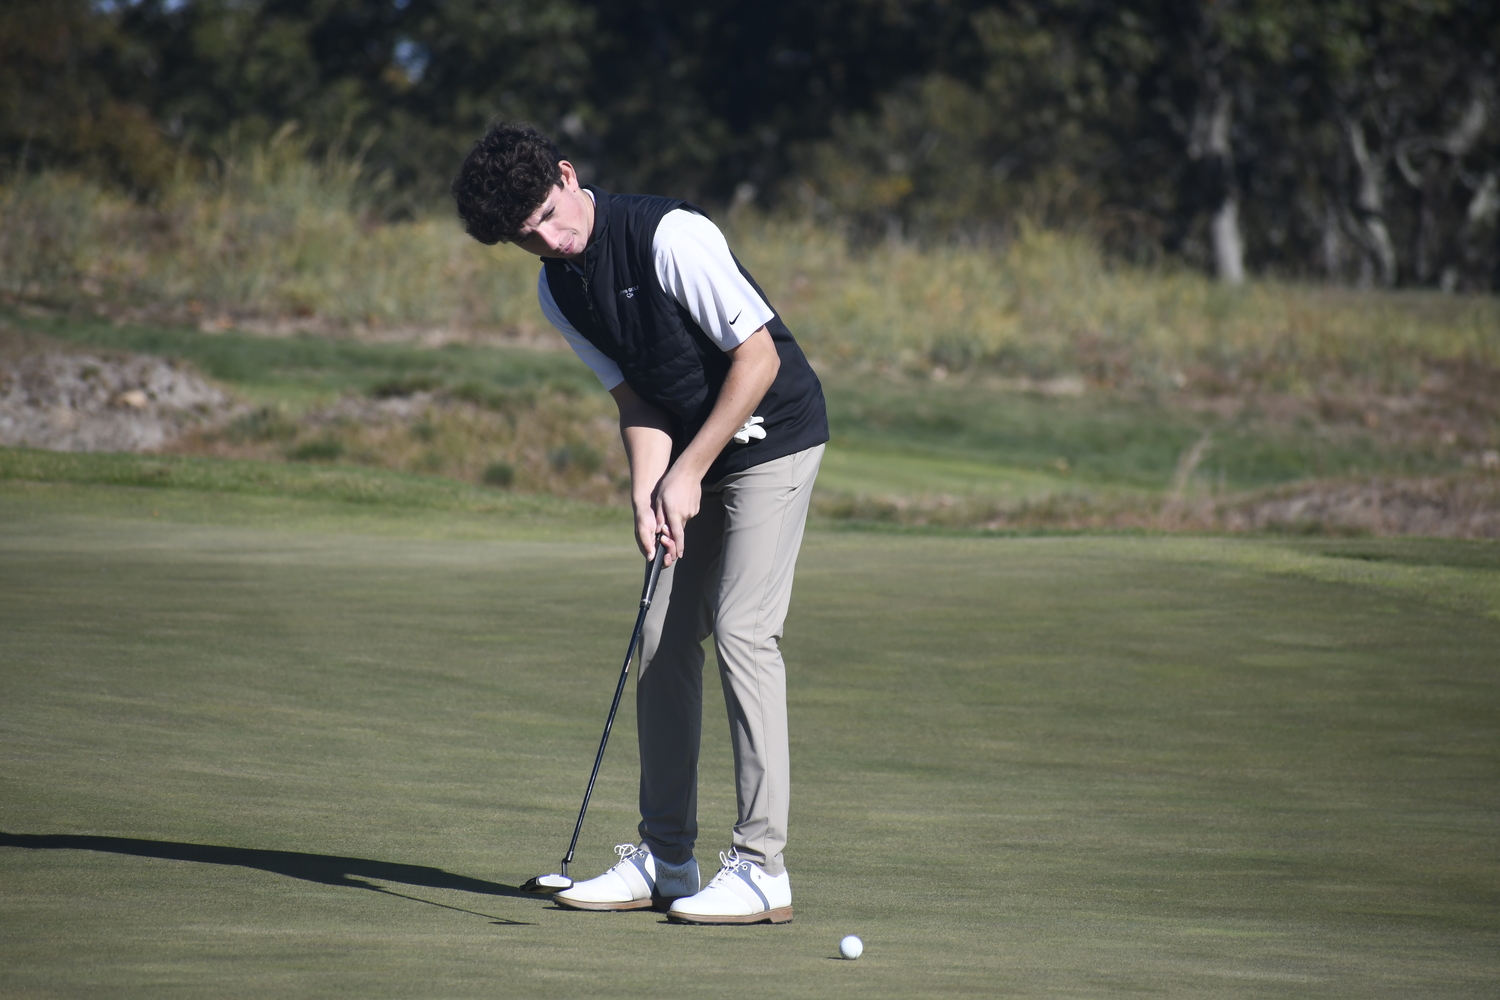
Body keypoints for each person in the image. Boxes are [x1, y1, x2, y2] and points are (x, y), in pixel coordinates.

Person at [451, 123, 828, 925]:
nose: (551, 240)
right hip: (692, 450)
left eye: (553, 215)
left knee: (743, 631)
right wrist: (647, 488)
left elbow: (757, 359)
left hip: (774, 437)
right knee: (660, 637)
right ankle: (669, 858)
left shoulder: (671, 237)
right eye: (529, 239)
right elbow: (635, 398)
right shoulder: (559, 288)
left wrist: (688, 471)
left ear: (567, 172)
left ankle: (764, 869)